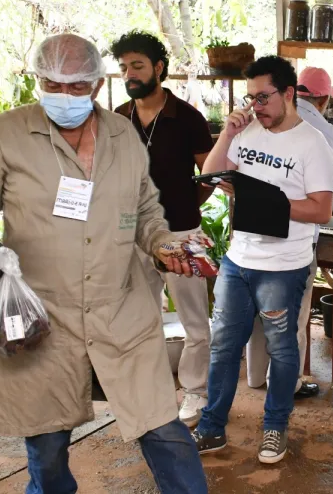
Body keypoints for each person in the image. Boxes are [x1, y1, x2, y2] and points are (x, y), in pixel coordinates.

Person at [0, 34, 208, 494]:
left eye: (76, 86)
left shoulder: (123, 135)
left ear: (97, 83)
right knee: (46, 450)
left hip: (121, 311)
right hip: (43, 317)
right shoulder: (5, 133)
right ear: (39, 80)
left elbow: (145, 212)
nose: (64, 96)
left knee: (163, 429)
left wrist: (161, 243)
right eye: (53, 84)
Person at [193, 56, 333, 464]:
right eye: (252, 97)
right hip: (239, 260)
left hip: (285, 264)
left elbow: (321, 210)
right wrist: (226, 134)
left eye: (264, 97)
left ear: (289, 94)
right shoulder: (247, 132)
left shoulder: (313, 144)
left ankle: (275, 428)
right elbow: (210, 175)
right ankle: (211, 427)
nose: (257, 105)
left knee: (282, 349)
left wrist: (265, 202)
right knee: (223, 346)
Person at [111, 30, 215, 427]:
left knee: (194, 321)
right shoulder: (117, 118)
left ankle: (195, 393)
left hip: (182, 234)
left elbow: (210, 174)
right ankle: (151, 394)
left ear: (158, 68)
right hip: (133, 238)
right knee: (139, 318)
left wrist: (188, 209)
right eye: (123, 68)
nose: (129, 74)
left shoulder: (187, 118)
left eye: (137, 66)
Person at [245, 66, 333, 400]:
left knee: (257, 315)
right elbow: (331, 188)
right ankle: (286, 384)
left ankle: (255, 376)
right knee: (290, 319)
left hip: (252, 233)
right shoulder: (324, 133)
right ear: (326, 98)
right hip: (295, 240)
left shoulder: (258, 118)